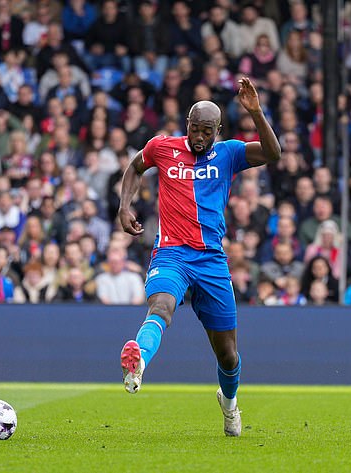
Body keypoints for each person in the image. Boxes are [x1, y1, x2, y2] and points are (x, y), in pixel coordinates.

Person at [117, 77, 281, 437]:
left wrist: (255, 112)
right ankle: (139, 360)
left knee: (228, 355)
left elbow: (273, 154)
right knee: (161, 306)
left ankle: (229, 402)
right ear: (187, 124)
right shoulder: (163, 147)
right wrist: (124, 205)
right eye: (195, 128)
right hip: (172, 252)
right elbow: (134, 167)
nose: (200, 137)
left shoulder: (230, 153)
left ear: (217, 131)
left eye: (207, 131)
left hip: (211, 260)